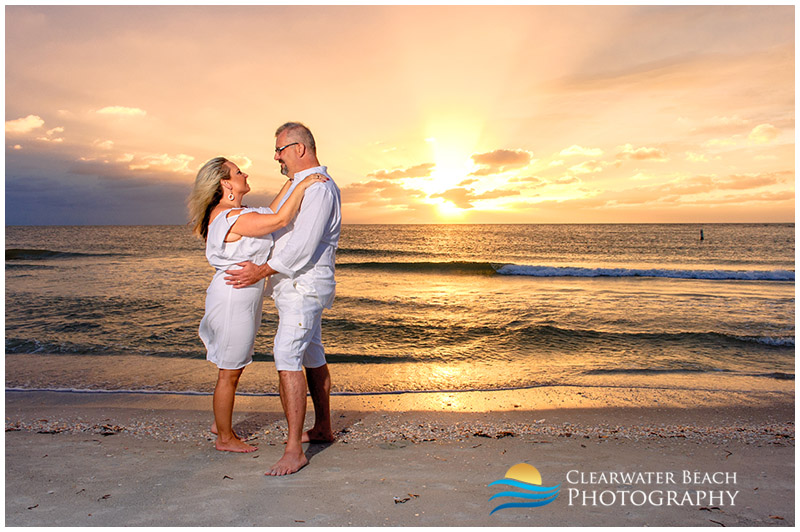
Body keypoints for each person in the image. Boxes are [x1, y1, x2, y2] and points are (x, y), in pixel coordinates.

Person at [187, 156, 327, 453]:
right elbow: (280, 220)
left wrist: (292, 179)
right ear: (226, 183)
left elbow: (273, 210)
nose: (245, 173)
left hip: (242, 298)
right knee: (230, 371)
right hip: (232, 299)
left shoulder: (237, 212)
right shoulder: (229, 217)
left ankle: (219, 423)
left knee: (233, 367)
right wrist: (303, 186)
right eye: (238, 172)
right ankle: (224, 438)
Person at [224, 122, 341, 476]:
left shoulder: (319, 190)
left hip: (303, 286)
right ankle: (322, 428)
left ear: (300, 149)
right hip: (294, 286)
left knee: (286, 354)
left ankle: (294, 451)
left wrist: (260, 271)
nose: (275, 156)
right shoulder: (299, 185)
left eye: (280, 149)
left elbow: (303, 247)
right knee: (312, 353)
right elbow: (273, 220)